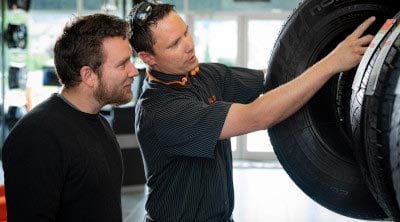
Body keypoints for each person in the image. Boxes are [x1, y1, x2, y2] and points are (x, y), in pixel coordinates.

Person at [128, 1, 376, 221]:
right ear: (147, 57)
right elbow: (258, 116)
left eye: (186, 33)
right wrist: (332, 63)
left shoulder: (204, 75)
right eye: (174, 44)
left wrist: (339, 65)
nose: (189, 46)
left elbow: (278, 78)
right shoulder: (161, 112)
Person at [2, 13, 139, 221]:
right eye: (123, 64)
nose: (134, 71)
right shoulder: (37, 136)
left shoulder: (99, 122)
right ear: (88, 75)